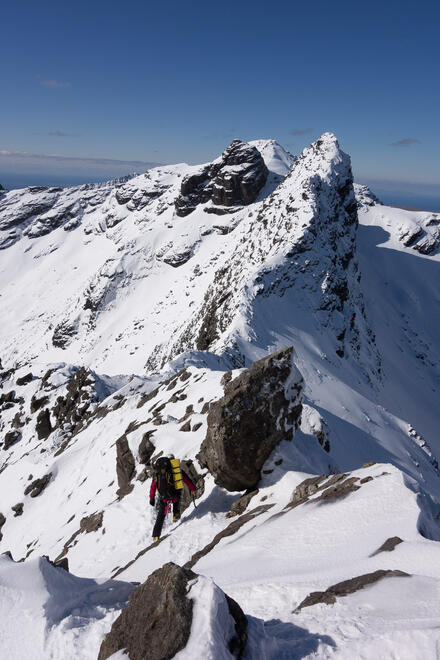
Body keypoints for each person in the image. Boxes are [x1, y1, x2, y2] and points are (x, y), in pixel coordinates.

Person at [150, 456, 196, 541]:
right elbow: (186, 479)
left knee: (161, 516)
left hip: (164, 499)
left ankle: (155, 535)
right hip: (174, 496)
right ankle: (176, 514)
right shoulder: (176, 471)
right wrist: (192, 488)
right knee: (178, 494)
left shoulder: (157, 475)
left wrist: (152, 499)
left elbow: (153, 487)